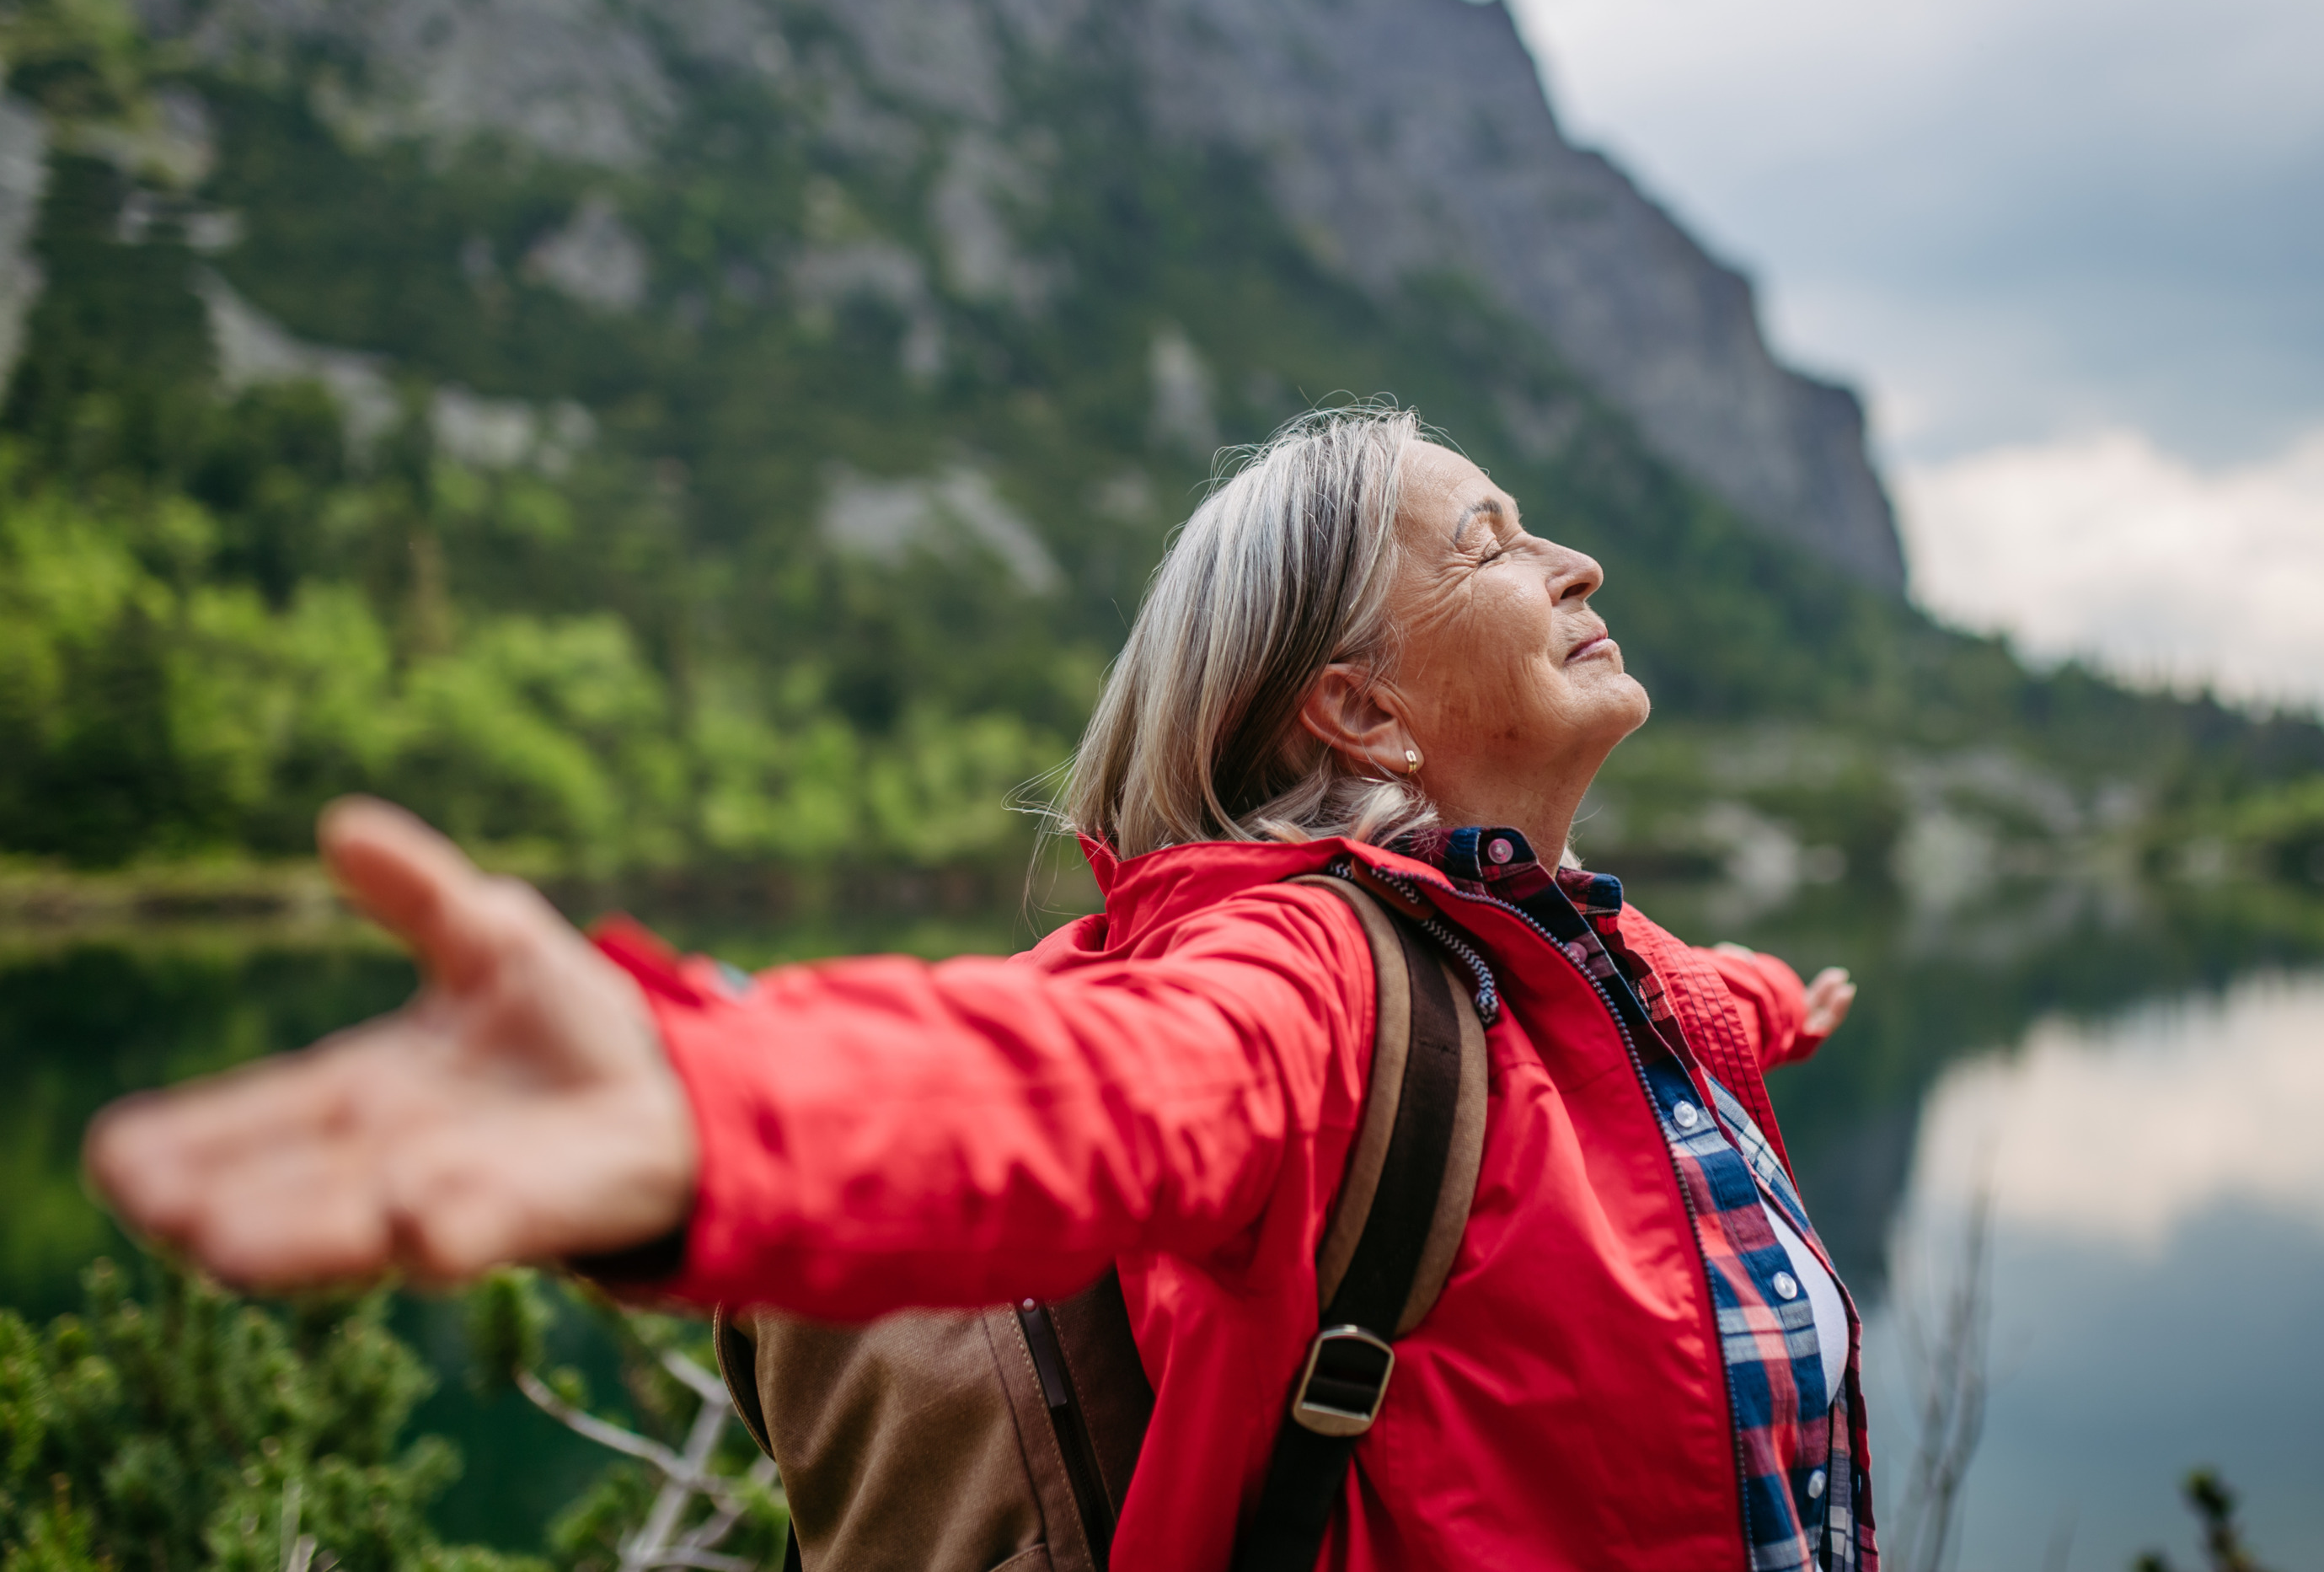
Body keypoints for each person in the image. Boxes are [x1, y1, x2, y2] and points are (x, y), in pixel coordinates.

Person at [88, 406, 1872, 1570]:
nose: (1575, 560)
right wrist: (712, 1109)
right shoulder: (1306, 975)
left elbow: (1664, 992)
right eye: (1487, 540)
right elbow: (1091, 1088)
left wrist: (1777, 1003)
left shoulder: (1591, 959)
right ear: (1357, 709)